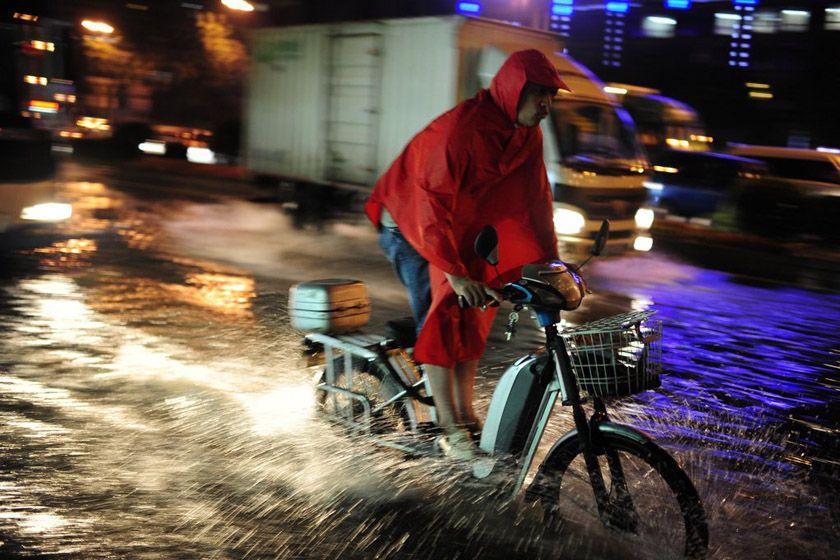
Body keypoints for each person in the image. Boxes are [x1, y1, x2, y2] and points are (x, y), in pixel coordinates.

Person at [365, 49, 568, 459]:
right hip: (408, 221)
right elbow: (428, 204)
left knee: (473, 315)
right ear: (514, 91)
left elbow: (535, 200)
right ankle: (448, 427)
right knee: (443, 315)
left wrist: (552, 262)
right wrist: (455, 274)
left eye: (551, 96)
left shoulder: (525, 132)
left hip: (454, 224)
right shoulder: (462, 130)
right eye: (540, 95)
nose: (547, 105)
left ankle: (465, 415)